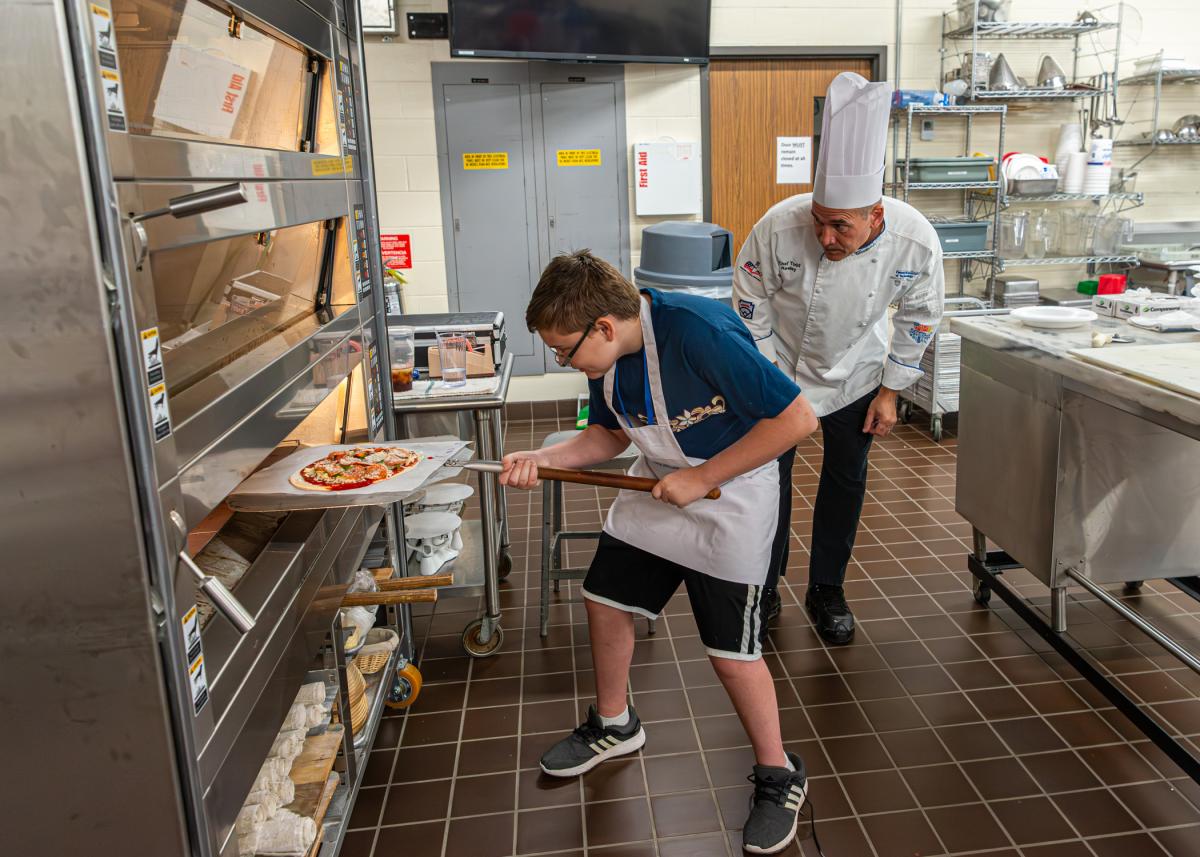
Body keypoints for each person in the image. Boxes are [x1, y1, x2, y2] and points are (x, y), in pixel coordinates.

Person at [501, 250, 818, 855]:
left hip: (734, 491)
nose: (564, 361)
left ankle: (779, 775)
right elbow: (607, 436)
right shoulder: (610, 358)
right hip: (660, 482)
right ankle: (614, 724)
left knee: (732, 653)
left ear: (603, 326)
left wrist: (702, 480)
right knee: (605, 600)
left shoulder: (699, 332)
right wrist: (540, 460)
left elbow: (795, 420)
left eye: (565, 350)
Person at [733, 72, 944, 645]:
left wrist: (892, 390)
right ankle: (766, 585)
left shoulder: (915, 240)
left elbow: (919, 318)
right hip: (779, 369)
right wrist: (766, 372)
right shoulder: (779, 226)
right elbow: (748, 298)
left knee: (844, 480)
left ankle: (827, 587)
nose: (824, 235)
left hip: (857, 373)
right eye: (819, 221)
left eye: (840, 226)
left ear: (875, 214)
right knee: (767, 481)